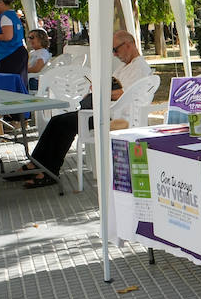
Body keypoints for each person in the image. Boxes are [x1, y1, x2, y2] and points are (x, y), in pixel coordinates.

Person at [14, 31, 151, 188]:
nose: (114, 54)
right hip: (107, 110)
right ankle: (37, 164)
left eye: (116, 50)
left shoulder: (139, 67)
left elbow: (124, 93)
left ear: (128, 44)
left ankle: (49, 171)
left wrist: (101, 92)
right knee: (57, 120)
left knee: (65, 123)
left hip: (117, 116)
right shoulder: (125, 67)